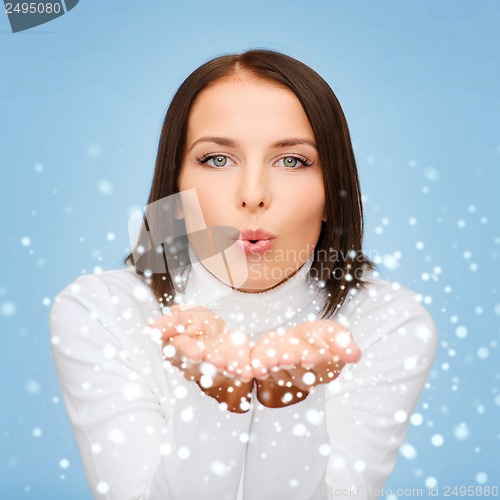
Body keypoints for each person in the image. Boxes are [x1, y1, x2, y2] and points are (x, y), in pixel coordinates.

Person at [50, 49, 438, 500]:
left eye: (292, 160)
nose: (252, 195)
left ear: (334, 191)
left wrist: (290, 406)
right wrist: (215, 401)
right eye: (217, 159)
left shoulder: (386, 322)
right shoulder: (101, 312)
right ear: (175, 186)